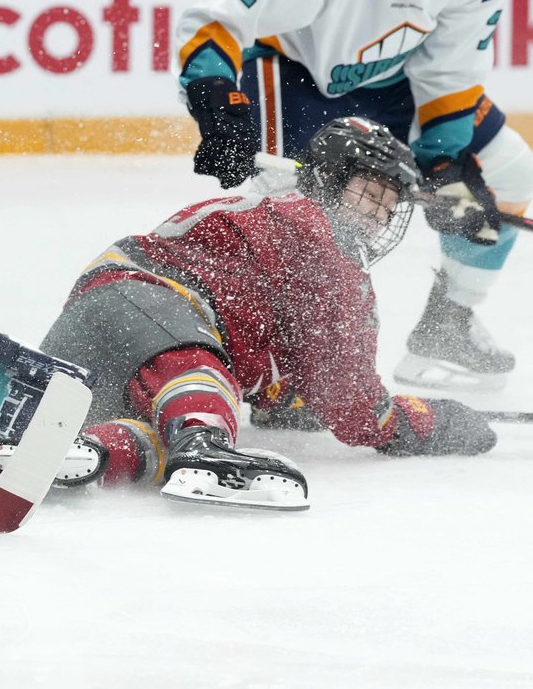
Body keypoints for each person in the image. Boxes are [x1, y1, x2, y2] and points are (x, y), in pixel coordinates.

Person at [174, 0, 533, 392]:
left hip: (394, 83)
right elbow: (215, 21)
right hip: (294, 80)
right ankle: (272, 367)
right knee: (302, 232)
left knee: (511, 169)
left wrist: (443, 160)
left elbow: (450, 73)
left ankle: (447, 325)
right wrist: (215, 98)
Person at [38, 117, 497, 510]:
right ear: (333, 180)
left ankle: (88, 451)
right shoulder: (324, 244)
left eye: (388, 203)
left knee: (162, 436)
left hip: (104, 322)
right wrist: (431, 422)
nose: (379, 214)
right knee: (204, 416)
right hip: (153, 309)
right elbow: (354, 405)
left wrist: (291, 401)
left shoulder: (279, 218)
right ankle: (203, 442)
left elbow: (281, 354)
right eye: (370, 194)